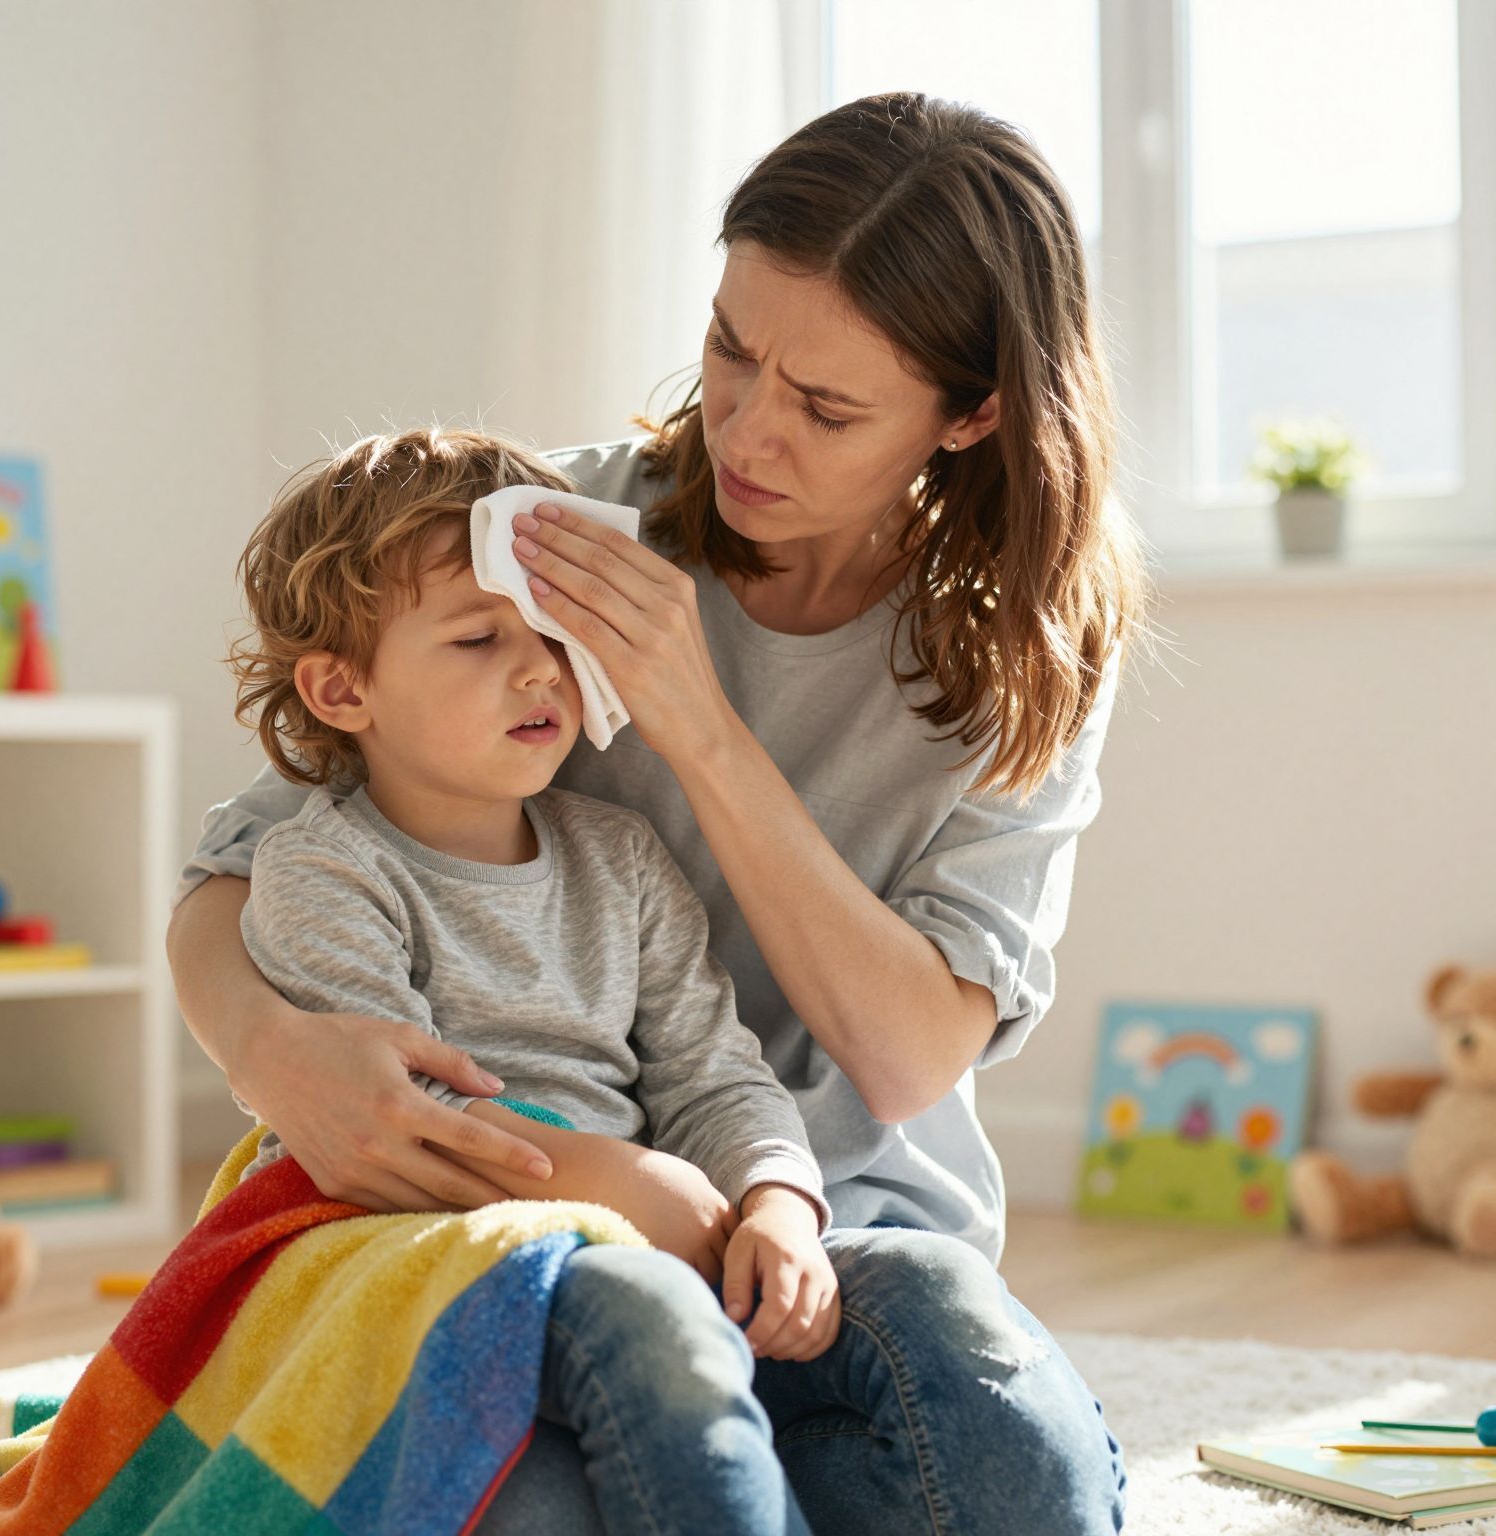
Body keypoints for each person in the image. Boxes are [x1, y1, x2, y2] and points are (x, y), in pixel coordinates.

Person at [169, 92, 1146, 1533]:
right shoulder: (549, 536)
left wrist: (692, 715)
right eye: (731, 350)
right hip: (526, 1232)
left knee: (1011, 1464)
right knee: (541, 1500)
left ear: (973, 412)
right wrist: (271, 1052)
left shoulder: (1022, 648)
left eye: (826, 407)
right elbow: (247, 860)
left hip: (832, 1224)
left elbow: (907, 1056)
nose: (747, 432)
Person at [225, 426, 837, 1533]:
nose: (536, 667)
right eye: (475, 638)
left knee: (910, 1314)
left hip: (628, 1241)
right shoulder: (319, 869)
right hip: (422, 1249)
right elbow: (402, 1130)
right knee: (643, 1326)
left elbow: (713, 1074)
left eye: (552, 633)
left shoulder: (624, 858)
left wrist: (779, 1203)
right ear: (340, 687)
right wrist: (615, 1184)